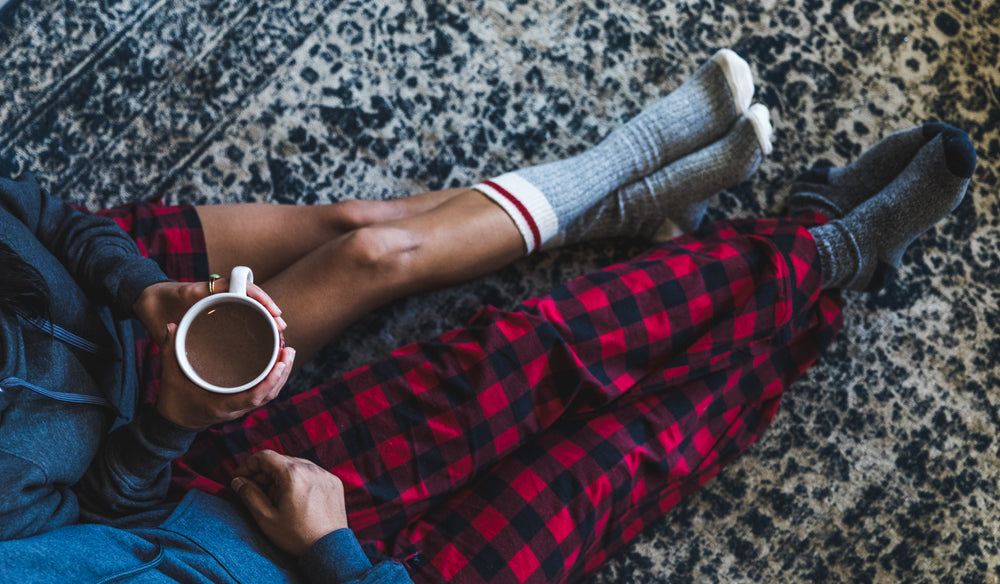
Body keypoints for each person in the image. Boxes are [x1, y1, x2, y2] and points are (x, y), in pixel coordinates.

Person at [0, 43, 975, 582]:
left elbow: (103, 507)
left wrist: (162, 381)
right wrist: (332, 553)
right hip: (308, 538)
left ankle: (717, 219)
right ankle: (821, 256)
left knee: (485, 321)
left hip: (213, 471)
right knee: (630, 452)